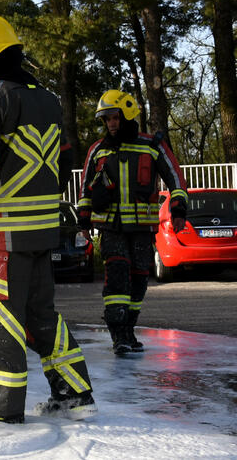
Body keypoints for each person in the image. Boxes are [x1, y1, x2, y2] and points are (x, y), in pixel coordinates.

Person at [0, 13, 96, 423]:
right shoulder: (47, 98)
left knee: (0, 317)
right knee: (42, 316)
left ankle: (3, 408)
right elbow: (65, 162)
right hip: (42, 234)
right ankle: (74, 394)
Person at [78, 89, 188, 355]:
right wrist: (84, 218)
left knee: (139, 280)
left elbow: (175, 179)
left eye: (114, 118)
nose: (110, 124)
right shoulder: (98, 149)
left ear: (127, 115)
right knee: (117, 280)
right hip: (111, 228)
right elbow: (84, 190)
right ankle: (119, 337)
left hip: (142, 229)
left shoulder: (152, 145)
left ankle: (129, 332)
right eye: (106, 120)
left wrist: (179, 209)